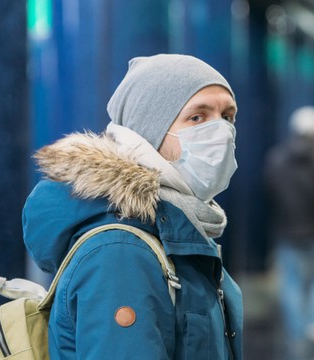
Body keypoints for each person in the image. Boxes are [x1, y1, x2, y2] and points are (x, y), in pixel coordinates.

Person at [22, 54, 243, 359]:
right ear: (150, 130)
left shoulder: (174, 226)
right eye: (197, 117)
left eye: (227, 116)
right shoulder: (122, 251)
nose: (221, 132)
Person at [263, 106, 314, 359]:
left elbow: (269, 194)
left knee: (292, 283)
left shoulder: (276, 159)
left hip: (287, 230)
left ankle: (297, 333)